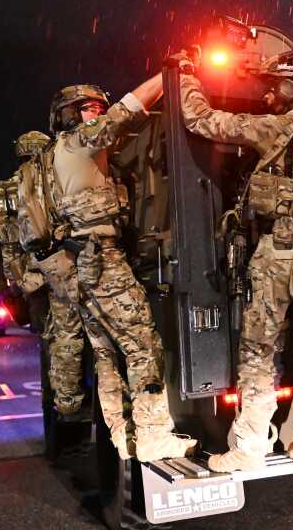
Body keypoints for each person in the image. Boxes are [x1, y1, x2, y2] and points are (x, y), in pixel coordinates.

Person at [177, 51, 293, 472]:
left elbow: (199, 119)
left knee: (259, 353)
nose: (267, 91)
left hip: (277, 258)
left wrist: (187, 75)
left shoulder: (274, 127)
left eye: (275, 83)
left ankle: (249, 449)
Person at [51, 77, 195, 462]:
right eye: (87, 107)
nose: (96, 112)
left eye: (99, 106)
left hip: (81, 265)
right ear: (69, 116)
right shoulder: (79, 142)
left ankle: (122, 435)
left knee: (107, 355)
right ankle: (152, 436)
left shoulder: (58, 154)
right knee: (143, 346)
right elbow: (127, 109)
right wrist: (171, 75)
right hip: (103, 262)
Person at [0, 131, 87, 421]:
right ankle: (68, 399)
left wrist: (18, 281)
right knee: (70, 333)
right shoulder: (57, 180)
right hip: (65, 265)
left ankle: (62, 401)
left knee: (52, 338)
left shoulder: (4, 190)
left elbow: (6, 241)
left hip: (33, 277)